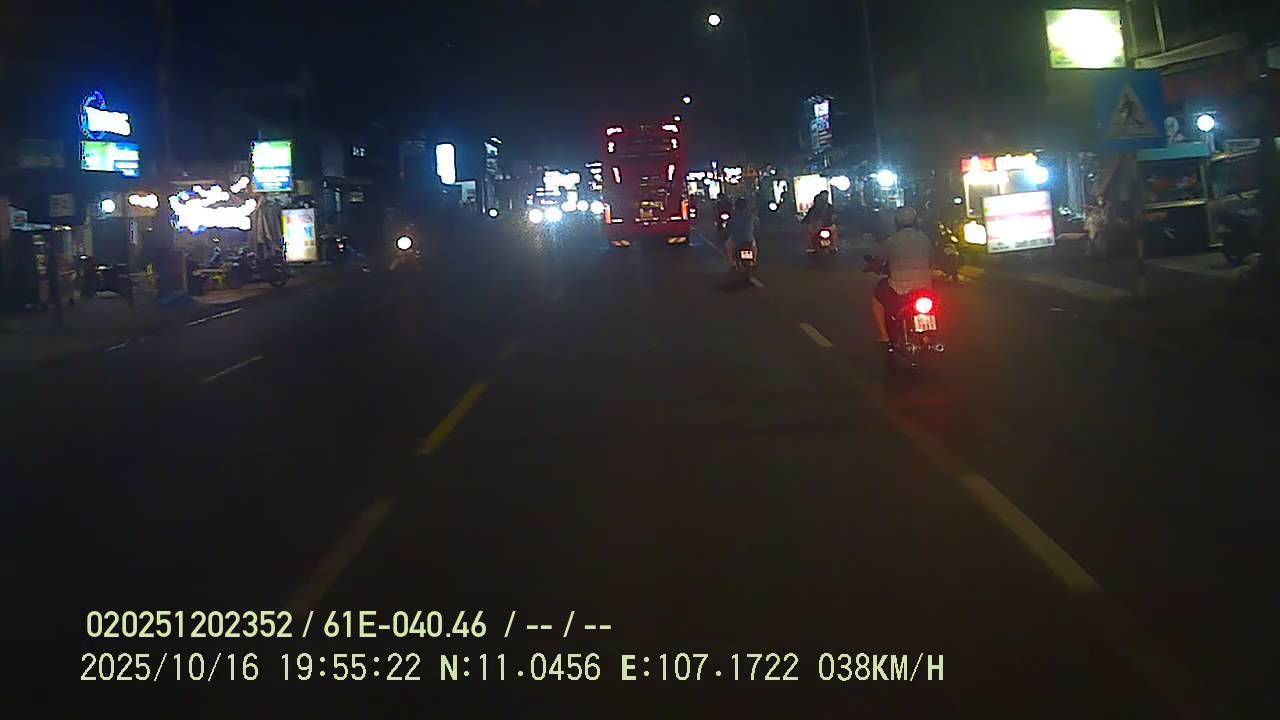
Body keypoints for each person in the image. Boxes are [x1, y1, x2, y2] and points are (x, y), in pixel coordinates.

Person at [872, 206, 933, 345]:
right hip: (924, 287)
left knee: (877, 296)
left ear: (896, 222)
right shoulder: (925, 239)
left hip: (899, 289)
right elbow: (931, 260)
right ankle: (928, 334)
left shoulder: (891, 241)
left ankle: (884, 335)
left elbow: (880, 259)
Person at [724, 197, 758, 270]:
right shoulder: (751, 215)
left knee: (727, 245)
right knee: (754, 247)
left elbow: (728, 227)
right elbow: (757, 225)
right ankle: (754, 261)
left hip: (735, 240)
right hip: (748, 239)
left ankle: (732, 263)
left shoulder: (733, 215)